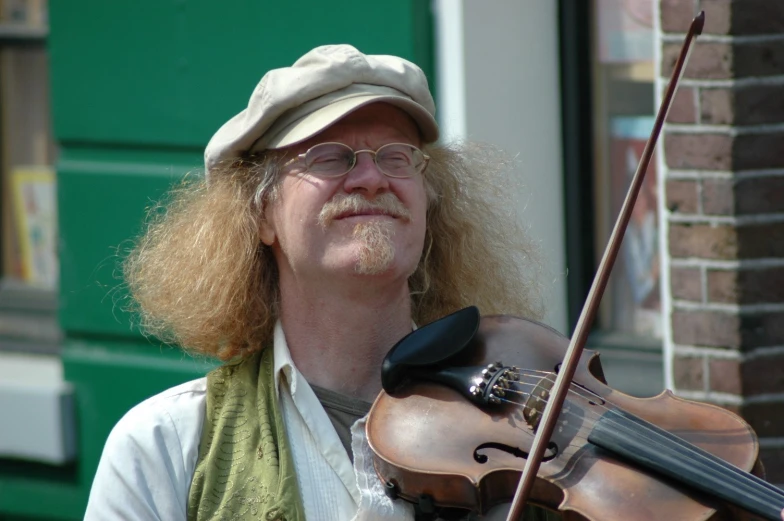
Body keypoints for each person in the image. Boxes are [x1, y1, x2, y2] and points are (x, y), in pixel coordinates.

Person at [83, 44, 546, 520]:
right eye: (329, 157)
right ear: (261, 214)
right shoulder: (164, 446)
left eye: (396, 157)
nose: (371, 178)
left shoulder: (518, 427)